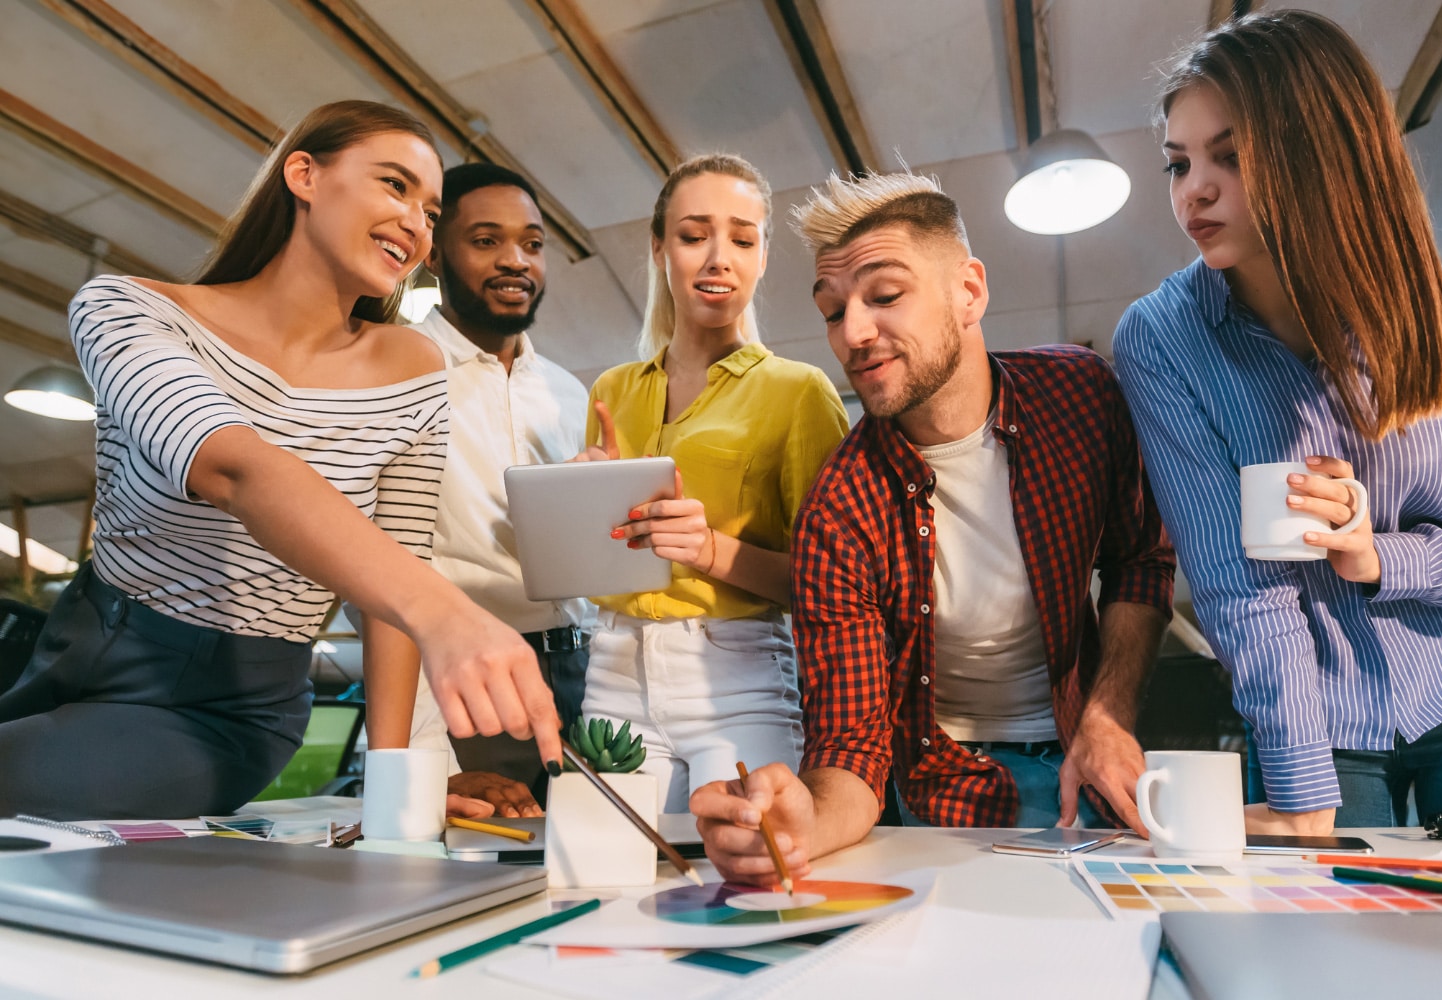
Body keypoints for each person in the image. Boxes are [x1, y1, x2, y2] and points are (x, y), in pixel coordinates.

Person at [0, 100, 560, 820]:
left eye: (429, 211)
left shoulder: (414, 367)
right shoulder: (128, 310)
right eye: (395, 186)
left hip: (226, 701)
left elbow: (392, 579)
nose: (418, 225)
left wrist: (401, 782)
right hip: (77, 648)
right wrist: (448, 615)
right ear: (304, 174)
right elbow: (229, 466)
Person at [692, 170, 1175, 885]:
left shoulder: (1079, 396)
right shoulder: (839, 504)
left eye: (885, 297)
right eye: (833, 310)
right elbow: (851, 747)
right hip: (941, 786)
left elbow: (1140, 559)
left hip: (1086, 759)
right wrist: (801, 827)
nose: (853, 332)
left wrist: (1108, 715)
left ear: (969, 292)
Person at [1111, 10, 1442, 831]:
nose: (1195, 189)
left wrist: (1378, 557)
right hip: (1313, 710)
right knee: (1332, 931)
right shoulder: (1161, 338)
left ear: (1327, 153)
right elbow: (1238, 588)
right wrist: (1302, 788)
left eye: (1232, 155)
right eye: (1179, 163)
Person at [582, 153, 849, 813]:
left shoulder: (798, 392)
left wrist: (709, 550)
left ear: (762, 258)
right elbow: (597, 567)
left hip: (739, 681)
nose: (718, 257)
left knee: (752, 884)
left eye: (742, 238)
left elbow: (833, 588)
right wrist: (583, 517)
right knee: (599, 882)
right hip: (612, 671)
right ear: (658, 249)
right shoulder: (612, 390)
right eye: (693, 235)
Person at [403, 162, 593, 818]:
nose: (515, 260)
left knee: (596, 880)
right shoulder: (394, 369)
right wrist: (423, 756)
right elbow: (366, 581)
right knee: (473, 876)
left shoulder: (571, 392)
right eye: (486, 241)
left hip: (586, 682)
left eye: (533, 244)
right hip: (469, 682)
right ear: (432, 253)